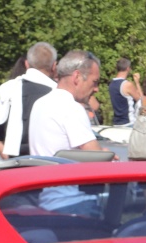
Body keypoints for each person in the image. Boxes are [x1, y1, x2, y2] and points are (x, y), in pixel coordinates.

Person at [29, 50, 107, 215]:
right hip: (74, 202)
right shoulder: (71, 108)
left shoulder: (40, 104)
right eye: (95, 82)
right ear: (77, 77)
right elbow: (97, 160)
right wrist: (106, 154)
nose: (97, 89)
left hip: (45, 201)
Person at [0, 42, 57, 159]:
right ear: (54, 66)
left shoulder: (9, 91)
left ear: (27, 64)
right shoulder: (59, 94)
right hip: (50, 167)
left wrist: (14, 163)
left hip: (17, 168)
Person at [108, 58, 141, 126]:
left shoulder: (111, 84)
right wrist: (137, 82)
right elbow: (140, 99)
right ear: (128, 68)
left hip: (117, 124)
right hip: (128, 123)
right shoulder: (127, 85)